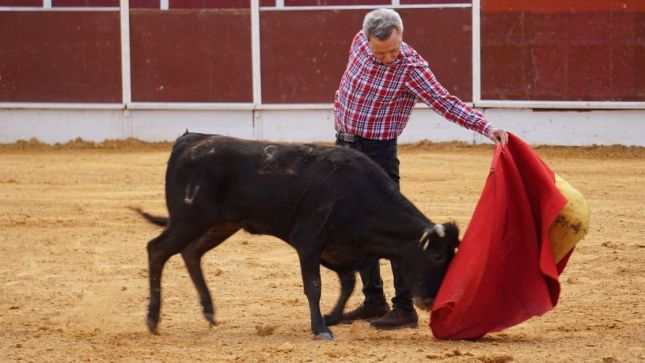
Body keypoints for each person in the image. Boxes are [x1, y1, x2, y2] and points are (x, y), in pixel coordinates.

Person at [334, 8, 508, 330]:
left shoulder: (412, 68)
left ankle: (404, 307)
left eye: (394, 50)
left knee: (391, 226)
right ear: (366, 40)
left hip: (377, 153)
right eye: (380, 51)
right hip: (344, 147)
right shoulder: (358, 42)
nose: (388, 58)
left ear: (402, 37)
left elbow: (446, 102)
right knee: (354, 225)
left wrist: (486, 127)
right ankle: (374, 300)